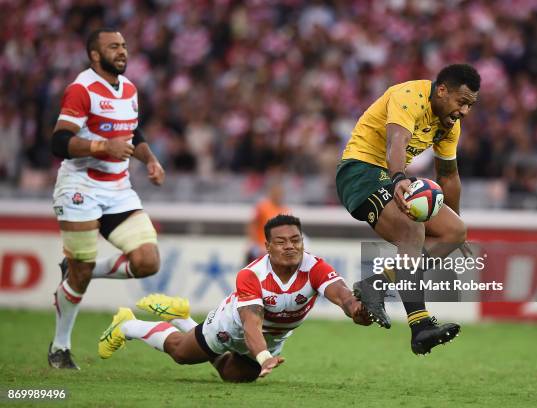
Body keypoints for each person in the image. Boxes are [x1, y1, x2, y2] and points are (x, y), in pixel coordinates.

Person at [98, 215, 372, 382]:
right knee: (182, 354)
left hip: (273, 339)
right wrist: (263, 357)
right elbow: (251, 325)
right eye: (281, 241)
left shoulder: (316, 268)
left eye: (296, 240)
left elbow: (344, 297)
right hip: (231, 326)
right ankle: (127, 325)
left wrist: (358, 311)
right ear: (267, 246)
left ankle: (183, 318)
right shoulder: (251, 275)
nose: (290, 246)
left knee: (233, 375)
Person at [336, 64, 481, 354]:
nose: (464, 111)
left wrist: (452, 222)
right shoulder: (409, 95)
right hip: (360, 171)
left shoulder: (449, 124)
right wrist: (400, 178)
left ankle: (377, 283)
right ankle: (420, 326)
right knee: (412, 225)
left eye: (470, 105)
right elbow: (396, 142)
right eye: (461, 102)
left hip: (392, 176)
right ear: (441, 91)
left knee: (455, 232)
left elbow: (449, 176)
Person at [48, 28, 165, 369]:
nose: (122, 51)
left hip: (118, 189)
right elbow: (59, 142)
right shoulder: (81, 89)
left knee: (147, 261)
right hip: (79, 187)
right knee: (80, 276)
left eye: (125, 46)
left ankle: (77, 270)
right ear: (95, 56)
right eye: (113, 47)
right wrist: (101, 145)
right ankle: (60, 347)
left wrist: (150, 160)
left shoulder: (129, 88)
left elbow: (133, 131)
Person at [245, 181, 289, 264]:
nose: (278, 195)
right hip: (260, 247)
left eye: (280, 193)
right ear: (271, 193)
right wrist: (254, 243)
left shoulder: (285, 210)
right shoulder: (263, 207)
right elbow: (252, 224)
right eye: (276, 193)